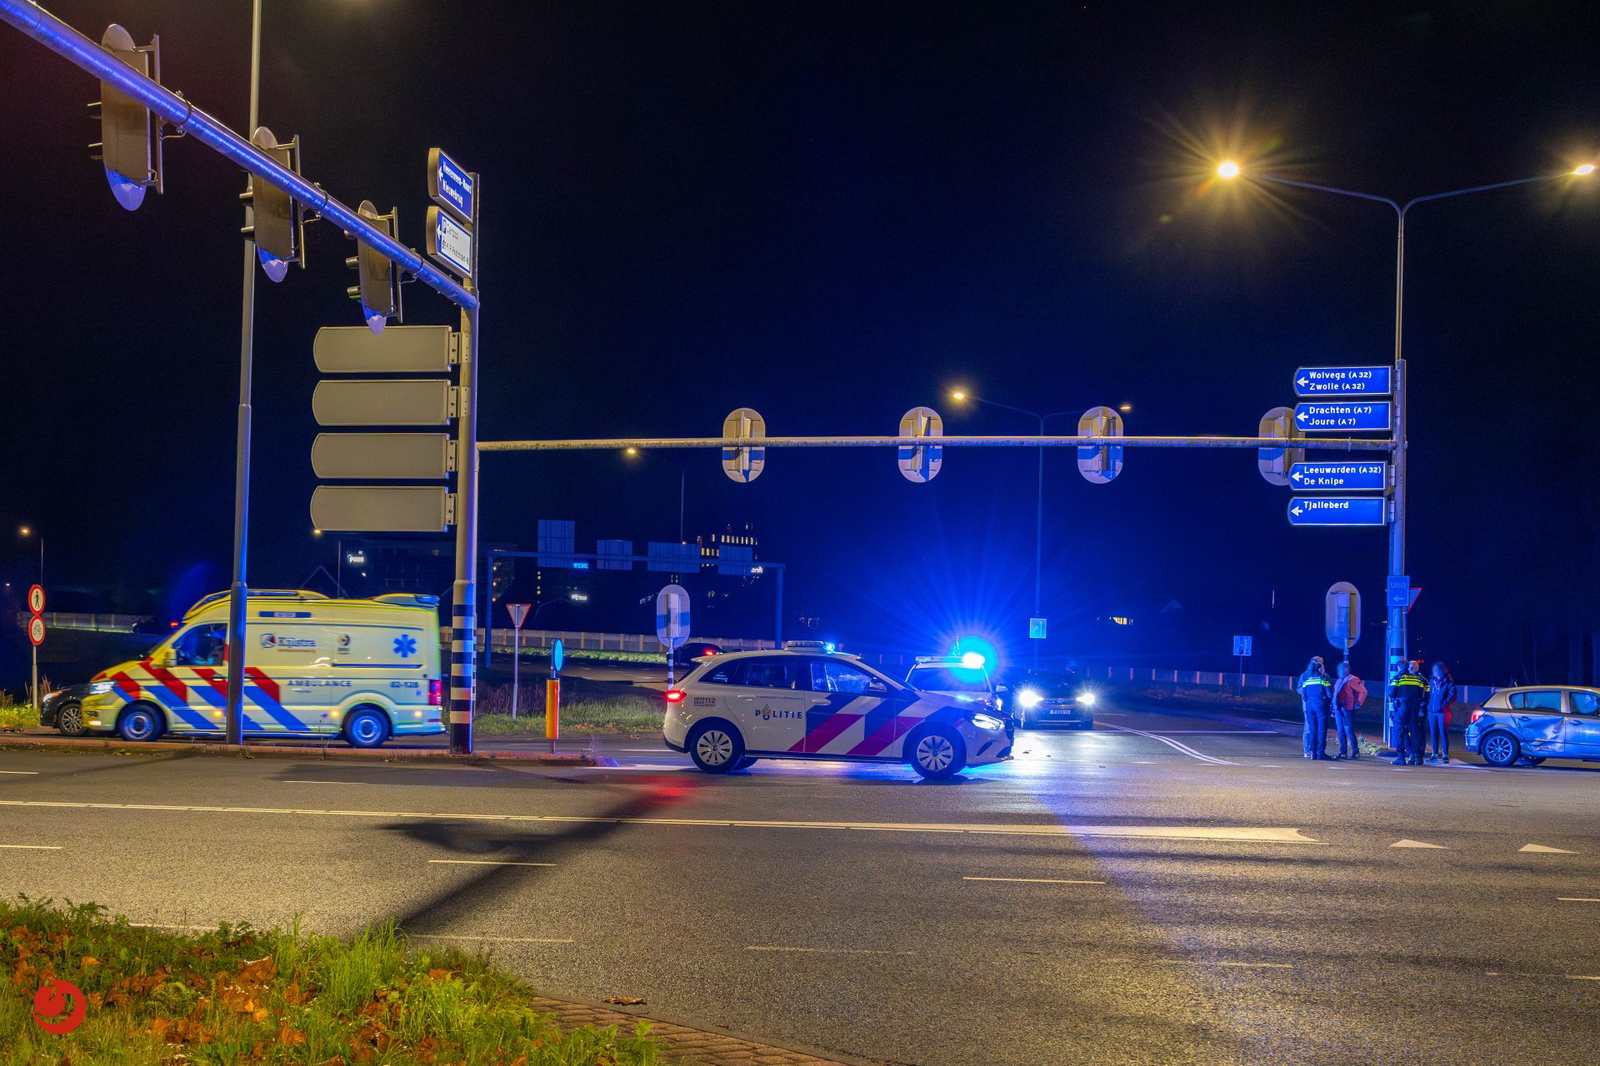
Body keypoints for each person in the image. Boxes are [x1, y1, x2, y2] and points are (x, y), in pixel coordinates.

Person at [1387, 660, 1430, 766]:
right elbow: (1422, 694)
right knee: (1415, 732)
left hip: (1401, 707)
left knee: (1399, 731)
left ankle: (1401, 757)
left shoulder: (1398, 678)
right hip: (1414, 708)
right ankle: (1416, 756)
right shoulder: (1417, 679)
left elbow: (1391, 693)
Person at [1297, 656, 1334, 760]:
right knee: (1321, 730)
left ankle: (1312, 752)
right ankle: (1320, 753)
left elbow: (1303, 693)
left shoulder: (1306, 677)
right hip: (1320, 705)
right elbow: (1329, 694)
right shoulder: (1323, 677)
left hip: (1309, 705)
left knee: (1312, 730)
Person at [1332, 661, 1366, 760]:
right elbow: (1336, 695)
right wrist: (1333, 708)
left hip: (1348, 709)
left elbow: (1363, 691)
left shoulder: (1353, 679)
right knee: (1340, 731)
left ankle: (1355, 752)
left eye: (1342, 669)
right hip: (1338, 709)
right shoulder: (1339, 680)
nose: (1340, 671)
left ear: (1347, 669)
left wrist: (1358, 703)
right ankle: (1343, 752)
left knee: (1348, 730)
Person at [1426, 661, 1456, 763]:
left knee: (1443, 733)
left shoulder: (1448, 683)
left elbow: (1452, 696)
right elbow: (1427, 694)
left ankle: (1445, 754)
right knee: (1433, 733)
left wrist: (1443, 704)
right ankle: (1434, 754)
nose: (1435, 672)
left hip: (1443, 712)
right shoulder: (1431, 681)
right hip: (1431, 711)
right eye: (1434, 670)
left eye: (1437, 670)